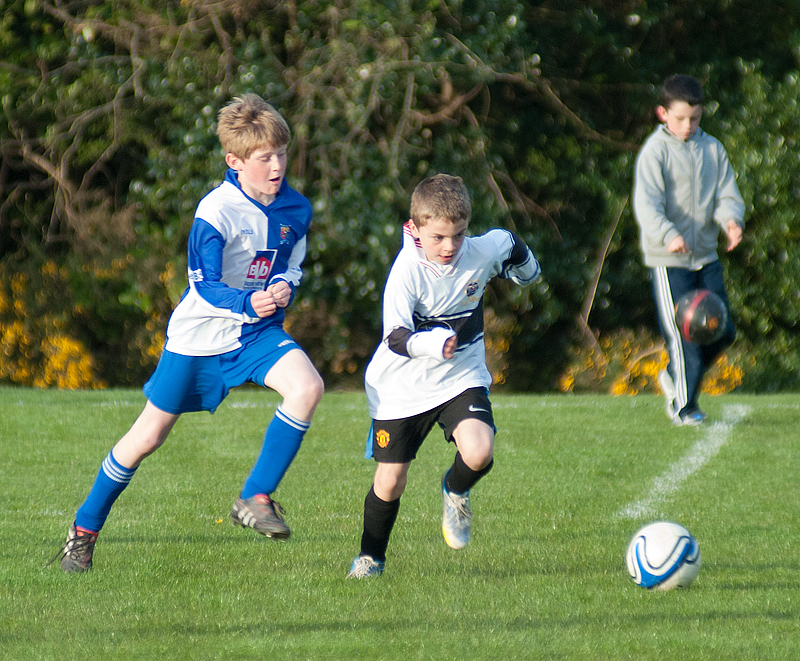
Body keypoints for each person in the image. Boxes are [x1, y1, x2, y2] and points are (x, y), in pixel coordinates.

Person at [48, 94, 324, 573]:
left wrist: (284, 285)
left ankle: (255, 497)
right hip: (200, 336)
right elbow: (204, 284)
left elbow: (292, 264)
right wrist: (247, 301)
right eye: (265, 158)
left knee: (308, 387)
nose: (278, 166)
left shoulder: (296, 207)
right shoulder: (215, 212)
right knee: (148, 436)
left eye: (282, 153)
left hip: (256, 332)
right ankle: (84, 530)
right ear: (235, 162)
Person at [346, 174, 541, 579]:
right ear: (415, 228)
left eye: (458, 235)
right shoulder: (406, 272)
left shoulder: (479, 251)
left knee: (479, 451)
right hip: (401, 385)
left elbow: (508, 243)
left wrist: (527, 272)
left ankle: (456, 490)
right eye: (438, 237)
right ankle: (370, 559)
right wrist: (435, 343)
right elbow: (395, 337)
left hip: (460, 375)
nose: (449, 246)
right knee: (391, 479)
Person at [633, 74, 745, 426]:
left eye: (694, 119)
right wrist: (668, 235)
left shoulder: (713, 150)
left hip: (706, 258)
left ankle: (673, 376)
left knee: (721, 330)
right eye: (680, 118)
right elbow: (647, 205)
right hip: (670, 261)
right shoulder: (655, 152)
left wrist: (731, 221)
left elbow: (727, 194)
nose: (687, 125)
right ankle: (684, 407)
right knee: (685, 338)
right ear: (662, 113)